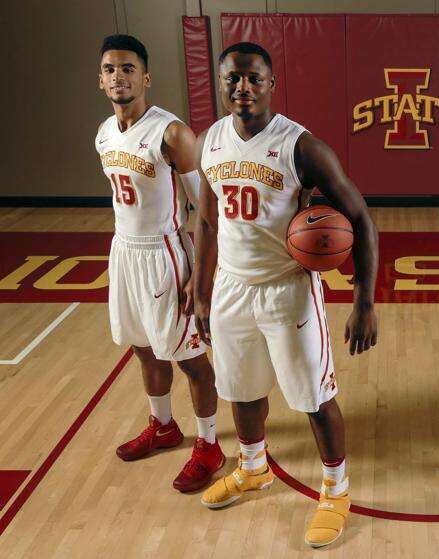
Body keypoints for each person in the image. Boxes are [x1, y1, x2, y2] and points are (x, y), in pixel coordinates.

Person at [192, 42, 379, 548]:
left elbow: (361, 219)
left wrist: (364, 301)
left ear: (271, 84)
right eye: (233, 78)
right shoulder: (210, 141)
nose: (243, 87)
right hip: (231, 287)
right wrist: (200, 289)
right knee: (241, 388)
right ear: (221, 83)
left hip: (287, 289)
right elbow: (206, 220)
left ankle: (336, 490)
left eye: (253, 78)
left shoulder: (301, 147)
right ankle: (253, 467)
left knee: (314, 398)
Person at [95, 35, 223, 492]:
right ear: (101, 79)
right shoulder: (104, 133)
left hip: (165, 253)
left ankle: (209, 444)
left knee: (190, 358)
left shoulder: (171, 134)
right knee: (143, 347)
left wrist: (199, 277)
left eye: (128, 68)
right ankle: (164, 425)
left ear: (145, 77)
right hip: (124, 251)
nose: (118, 77)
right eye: (110, 69)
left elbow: (206, 210)